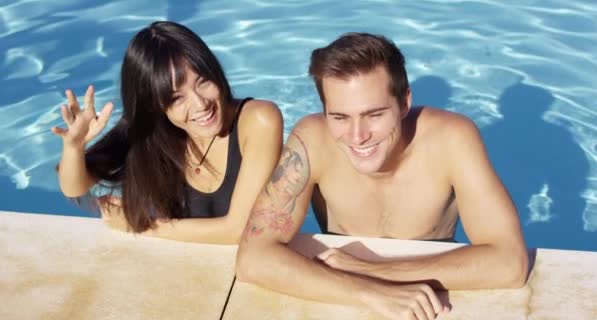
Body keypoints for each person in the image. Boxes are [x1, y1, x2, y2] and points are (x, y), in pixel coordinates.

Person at [236, 33, 528, 319]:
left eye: (374, 115)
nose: (357, 136)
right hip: (343, 297)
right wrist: (370, 292)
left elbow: (510, 263)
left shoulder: (452, 139)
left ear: (404, 103)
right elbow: (253, 258)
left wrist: (371, 269)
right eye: (339, 117)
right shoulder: (312, 140)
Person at [51, 21, 283, 244]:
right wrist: (74, 146)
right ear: (153, 104)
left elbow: (239, 230)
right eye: (177, 97)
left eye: (203, 82)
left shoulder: (258, 120)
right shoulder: (150, 133)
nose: (200, 104)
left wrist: (143, 224)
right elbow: (74, 187)